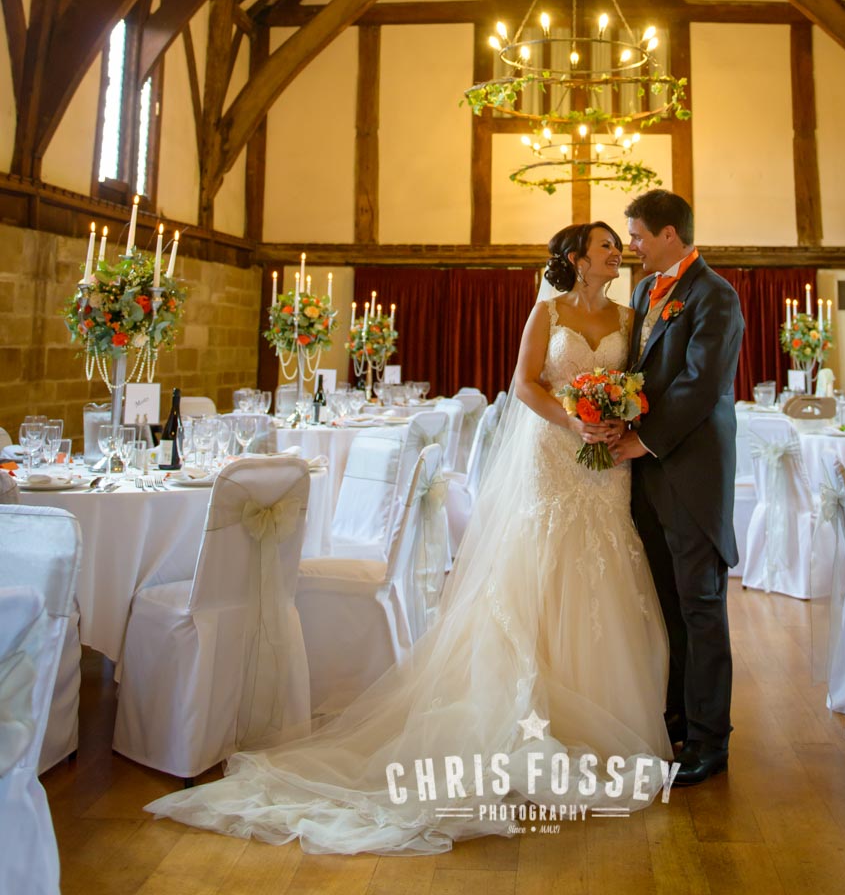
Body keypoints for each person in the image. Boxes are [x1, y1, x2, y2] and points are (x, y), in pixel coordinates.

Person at [145, 221, 673, 855]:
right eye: (606, 245)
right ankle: (528, 710)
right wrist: (571, 419)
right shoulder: (548, 310)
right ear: (576, 258)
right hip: (551, 456)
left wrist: (614, 419)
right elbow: (525, 383)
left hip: (604, 468)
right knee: (540, 565)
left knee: (601, 569)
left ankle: (597, 711)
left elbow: (638, 383)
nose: (617, 253)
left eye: (619, 244)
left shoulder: (629, 312)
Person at [612, 189, 744, 784]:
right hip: (647, 476)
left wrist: (646, 439)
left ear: (670, 234)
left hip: (690, 474)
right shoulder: (643, 292)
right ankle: (674, 722)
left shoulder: (715, 296)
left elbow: (700, 384)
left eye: (637, 235)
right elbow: (638, 370)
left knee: (702, 606)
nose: (631, 247)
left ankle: (711, 740)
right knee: (665, 606)